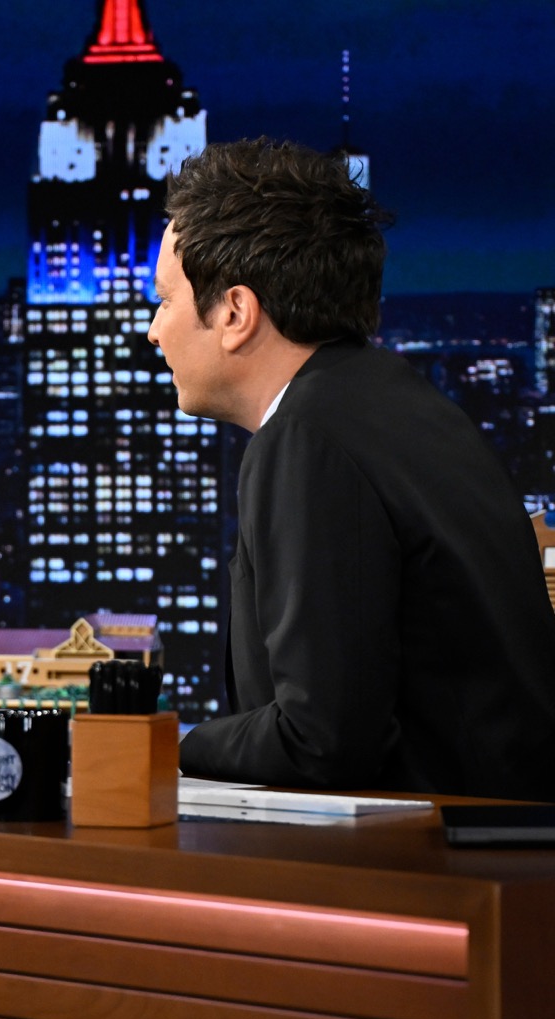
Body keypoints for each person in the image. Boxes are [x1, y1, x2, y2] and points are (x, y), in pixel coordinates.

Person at [149, 138, 555, 799]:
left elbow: (320, 742)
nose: (153, 330)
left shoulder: (307, 440)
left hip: (419, 853)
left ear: (235, 313)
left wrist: (160, 747)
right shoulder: (400, 405)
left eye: (165, 300)